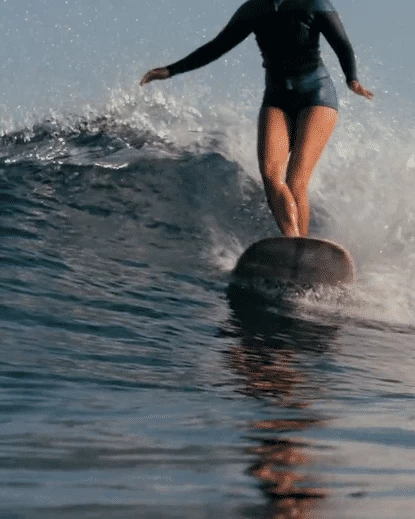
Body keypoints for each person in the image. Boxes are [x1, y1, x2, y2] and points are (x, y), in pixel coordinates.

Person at [140, 0, 373, 237]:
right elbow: (217, 47)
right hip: (277, 99)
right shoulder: (254, 8)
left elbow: (342, 44)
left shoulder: (313, 3)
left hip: (316, 95)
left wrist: (352, 79)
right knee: (271, 175)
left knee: (296, 181)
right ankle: (293, 240)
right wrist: (170, 71)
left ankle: (303, 244)